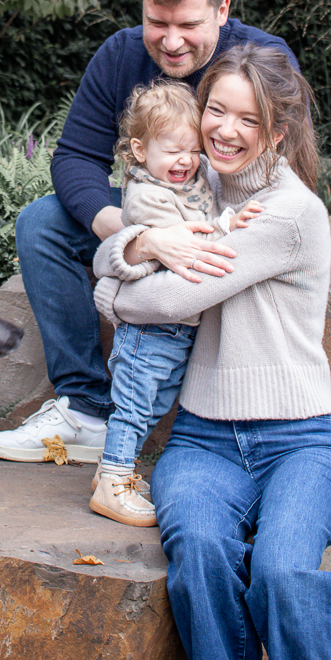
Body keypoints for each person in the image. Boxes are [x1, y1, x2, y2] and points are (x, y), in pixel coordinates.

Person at [91, 43, 331, 660]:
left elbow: (157, 303)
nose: (225, 130)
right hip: (204, 441)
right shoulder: (190, 188)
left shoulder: (288, 213)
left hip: (300, 443)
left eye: (250, 118)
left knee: (283, 572)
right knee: (203, 556)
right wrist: (145, 246)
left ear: (279, 131)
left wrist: (143, 266)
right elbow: (106, 266)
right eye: (216, 109)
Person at [0, 0, 297, 464]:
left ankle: (210, 424)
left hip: (233, 224)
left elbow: (290, 172)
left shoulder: (264, 59)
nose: (171, 42)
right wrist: (137, 236)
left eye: (188, 25)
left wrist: (210, 236)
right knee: (41, 222)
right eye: (157, 22)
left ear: (222, 10)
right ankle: (85, 410)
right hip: (151, 211)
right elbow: (75, 157)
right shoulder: (121, 55)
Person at [90, 77, 261, 526]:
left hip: (178, 328)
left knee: (154, 403)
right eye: (173, 151)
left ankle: (111, 471)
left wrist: (227, 218)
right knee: (133, 407)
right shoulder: (147, 196)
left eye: (193, 149)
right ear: (140, 150)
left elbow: (203, 216)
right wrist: (229, 227)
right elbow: (188, 244)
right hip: (149, 327)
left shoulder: (187, 179)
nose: (186, 160)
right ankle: (113, 482)